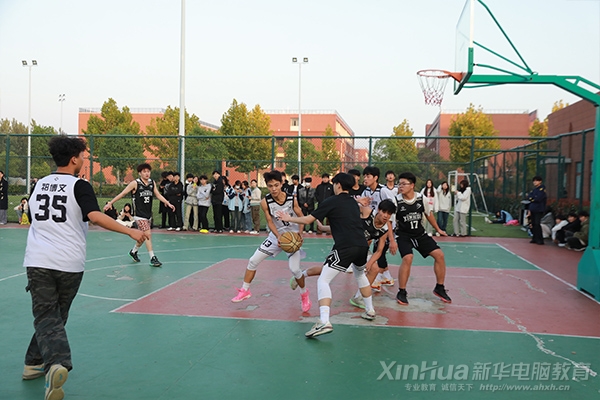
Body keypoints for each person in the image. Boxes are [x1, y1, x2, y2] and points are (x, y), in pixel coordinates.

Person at [22, 135, 147, 400]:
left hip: (38, 260)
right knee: (55, 315)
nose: (84, 160)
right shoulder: (79, 186)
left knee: (48, 316)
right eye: (82, 156)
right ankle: (55, 364)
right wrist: (129, 231)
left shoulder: (39, 184)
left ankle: (34, 361)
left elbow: (32, 217)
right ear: (73, 159)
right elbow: (95, 216)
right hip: (69, 262)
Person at [278, 172, 376, 338]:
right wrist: (324, 228)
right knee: (360, 275)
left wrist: (289, 218)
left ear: (338, 185)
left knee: (323, 280)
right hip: (362, 245)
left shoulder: (332, 201)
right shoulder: (353, 203)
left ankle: (324, 321)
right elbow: (344, 224)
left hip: (345, 246)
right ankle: (370, 310)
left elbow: (308, 220)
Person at [230, 170, 311, 314]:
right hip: (276, 237)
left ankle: (304, 294)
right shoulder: (265, 202)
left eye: (276, 185)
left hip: (292, 237)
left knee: (295, 270)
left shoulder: (291, 199)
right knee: (253, 261)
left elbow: (301, 215)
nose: (273, 189)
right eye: (270, 186)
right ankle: (245, 290)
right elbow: (270, 222)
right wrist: (278, 236)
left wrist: (300, 232)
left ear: (281, 184)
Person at [394, 172, 451, 306]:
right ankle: (402, 291)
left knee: (439, 255)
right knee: (408, 258)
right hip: (403, 235)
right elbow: (390, 222)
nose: (401, 186)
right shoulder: (396, 201)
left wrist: (438, 229)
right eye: (399, 184)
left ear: (412, 185)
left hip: (420, 234)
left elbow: (429, 214)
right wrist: (391, 240)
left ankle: (439, 287)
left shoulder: (421, 198)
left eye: (404, 184)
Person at [104, 163, 175, 267]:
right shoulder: (135, 183)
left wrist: (168, 203)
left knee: (143, 236)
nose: (147, 173)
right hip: (139, 215)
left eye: (148, 171)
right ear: (140, 173)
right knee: (148, 234)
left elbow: (158, 195)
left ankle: (133, 252)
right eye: (144, 171)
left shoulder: (152, 183)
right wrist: (111, 203)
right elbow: (123, 193)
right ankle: (152, 258)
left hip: (148, 215)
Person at [527, 175, 547, 245]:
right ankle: (535, 238)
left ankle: (540, 239)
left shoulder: (542, 189)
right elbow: (529, 196)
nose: (535, 182)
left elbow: (538, 198)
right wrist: (532, 199)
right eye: (534, 181)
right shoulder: (534, 190)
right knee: (533, 224)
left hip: (538, 209)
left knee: (537, 224)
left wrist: (532, 199)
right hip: (533, 208)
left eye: (536, 181)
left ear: (540, 181)